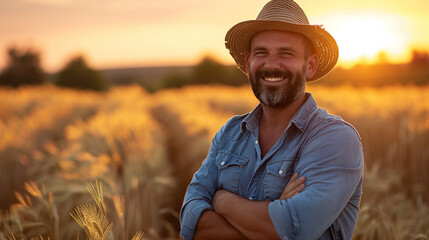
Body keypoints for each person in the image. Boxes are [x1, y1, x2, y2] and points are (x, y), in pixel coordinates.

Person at [180, 0, 364, 239]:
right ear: (248, 64)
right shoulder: (229, 134)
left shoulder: (336, 139)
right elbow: (191, 223)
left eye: (286, 53)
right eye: (261, 53)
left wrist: (222, 201)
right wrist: (272, 214)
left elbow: (293, 230)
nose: (272, 64)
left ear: (310, 66)